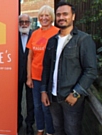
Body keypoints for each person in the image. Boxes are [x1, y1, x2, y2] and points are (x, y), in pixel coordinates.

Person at [41, 2, 97, 135]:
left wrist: (76, 93)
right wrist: (43, 90)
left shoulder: (83, 40)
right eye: (59, 14)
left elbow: (91, 70)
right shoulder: (52, 40)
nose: (61, 17)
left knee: (72, 131)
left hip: (71, 98)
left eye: (65, 14)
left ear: (73, 16)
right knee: (58, 129)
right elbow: (46, 68)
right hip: (53, 97)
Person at [26, 5, 59, 135]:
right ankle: (40, 129)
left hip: (50, 78)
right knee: (37, 106)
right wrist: (29, 77)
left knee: (47, 107)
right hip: (35, 77)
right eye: (41, 15)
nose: (44, 18)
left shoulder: (57, 32)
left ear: (52, 17)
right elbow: (30, 56)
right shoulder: (34, 34)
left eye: (47, 15)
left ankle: (50, 131)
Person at [18, 14, 34, 135]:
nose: (24, 24)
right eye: (21, 22)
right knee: (16, 100)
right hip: (16, 75)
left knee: (31, 101)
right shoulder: (13, 36)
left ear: (30, 23)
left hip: (31, 74)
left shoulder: (35, 35)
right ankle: (17, 122)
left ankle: (30, 124)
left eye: (26, 22)